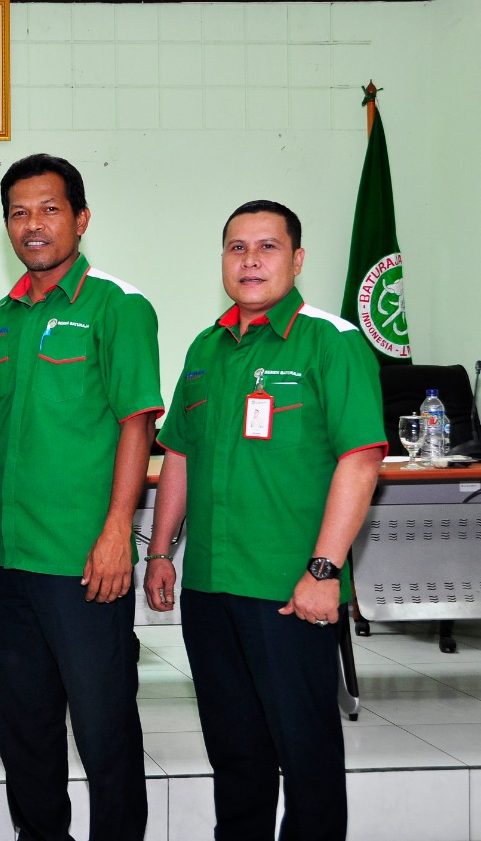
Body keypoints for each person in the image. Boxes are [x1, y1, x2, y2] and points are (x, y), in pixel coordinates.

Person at [145, 200, 385, 841]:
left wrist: (324, 570)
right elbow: (179, 455)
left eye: (267, 247)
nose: (250, 260)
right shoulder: (206, 348)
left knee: (307, 760)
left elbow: (361, 459)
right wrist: (161, 552)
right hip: (210, 589)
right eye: (237, 248)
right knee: (236, 758)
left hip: (290, 590)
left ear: (297, 259)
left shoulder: (330, 341)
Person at [0, 153, 160, 841]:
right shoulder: (0, 318)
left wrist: (118, 532)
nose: (33, 224)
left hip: (85, 562)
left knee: (104, 728)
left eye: (50, 209)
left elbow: (137, 423)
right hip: (9, 561)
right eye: (19, 212)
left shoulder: (117, 305)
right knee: (23, 731)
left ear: (81, 219)